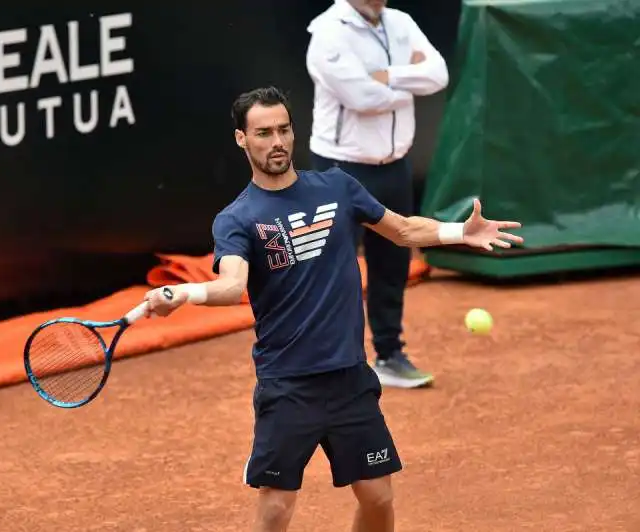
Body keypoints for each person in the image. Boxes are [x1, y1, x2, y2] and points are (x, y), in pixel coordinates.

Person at [143, 87, 522, 532]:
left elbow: (400, 230)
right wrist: (184, 294)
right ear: (242, 140)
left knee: (379, 497)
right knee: (278, 507)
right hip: (288, 385)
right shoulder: (237, 218)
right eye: (264, 133)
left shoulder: (337, 186)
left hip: (349, 379)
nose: (277, 141)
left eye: (284, 129)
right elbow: (232, 286)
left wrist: (459, 231)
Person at [305, 0, 450, 389]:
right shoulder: (329, 32)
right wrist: (407, 83)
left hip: (395, 166)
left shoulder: (401, 22)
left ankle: (389, 354)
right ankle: (330, 363)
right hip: (340, 167)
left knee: (393, 262)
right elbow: (362, 99)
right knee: (334, 269)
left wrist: (385, 75)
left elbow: (438, 75)